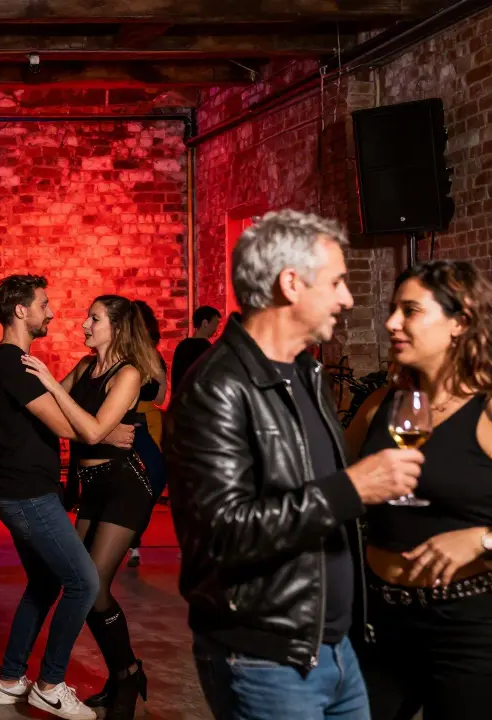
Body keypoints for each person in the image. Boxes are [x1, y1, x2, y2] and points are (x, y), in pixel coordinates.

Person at [164, 210, 424, 720]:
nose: (347, 299)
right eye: (336, 282)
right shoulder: (217, 387)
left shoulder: (306, 372)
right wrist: (350, 489)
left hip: (336, 649)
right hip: (266, 658)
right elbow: (222, 534)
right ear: (290, 284)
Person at [343, 260, 492, 719]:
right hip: (376, 623)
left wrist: (483, 539)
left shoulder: (487, 409)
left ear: (460, 322)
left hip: (466, 629)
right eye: (393, 310)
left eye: (410, 311)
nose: (392, 323)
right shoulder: (380, 406)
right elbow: (335, 489)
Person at [0, 274, 135, 720]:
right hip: (28, 495)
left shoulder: (16, 362)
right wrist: (106, 432)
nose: (51, 313)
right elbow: (68, 425)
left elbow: (61, 407)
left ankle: (10, 679)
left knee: (45, 583)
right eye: (44, 305)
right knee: (85, 582)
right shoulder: (11, 363)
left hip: (20, 491)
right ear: (21, 311)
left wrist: (93, 418)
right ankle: (49, 685)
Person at [20, 295, 162, 720]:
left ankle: (127, 675)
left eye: (94, 318)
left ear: (115, 327)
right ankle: (124, 673)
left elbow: (92, 429)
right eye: (88, 317)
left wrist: (53, 386)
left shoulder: (129, 374)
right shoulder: (85, 367)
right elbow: (56, 416)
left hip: (125, 488)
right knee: (80, 585)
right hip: (92, 488)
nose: (84, 324)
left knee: (94, 587)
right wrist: (92, 427)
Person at [126, 301, 167, 569]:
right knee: (131, 481)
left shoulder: (153, 355)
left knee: (155, 478)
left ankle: (133, 535)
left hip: (150, 420)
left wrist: (160, 377)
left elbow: (160, 398)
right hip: (127, 420)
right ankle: (131, 541)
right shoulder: (123, 354)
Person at [170, 305, 220, 393]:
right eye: (215, 324)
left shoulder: (182, 345)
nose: (216, 329)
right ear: (205, 323)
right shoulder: (206, 348)